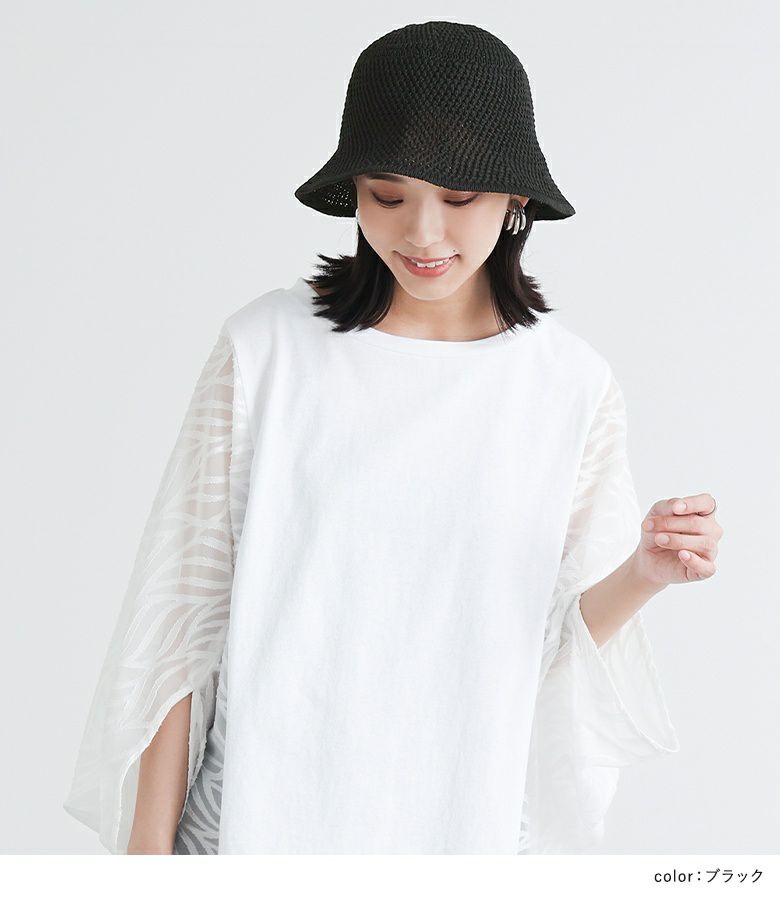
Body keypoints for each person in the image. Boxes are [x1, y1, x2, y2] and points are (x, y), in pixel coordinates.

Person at [63, 20, 722, 855]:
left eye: (458, 199)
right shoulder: (266, 352)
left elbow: (553, 648)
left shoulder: (569, 387)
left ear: (516, 199)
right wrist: (146, 866)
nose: (422, 233)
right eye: (387, 195)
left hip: (466, 831)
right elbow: (182, 623)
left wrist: (645, 574)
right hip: (251, 831)